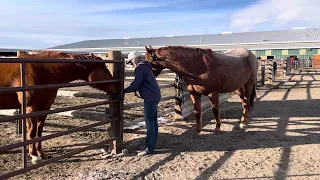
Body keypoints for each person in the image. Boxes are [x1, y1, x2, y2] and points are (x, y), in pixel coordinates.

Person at [124, 51, 161, 156]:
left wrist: (124, 91)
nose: (132, 64)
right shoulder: (146, 66)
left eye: (131, 62)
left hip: (150, 97)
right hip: (155, 95)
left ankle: (149, 148)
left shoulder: (140, 68)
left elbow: (135, 84)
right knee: (153, 121)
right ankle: (152, 144)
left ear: (135, 59)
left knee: (149, 123)